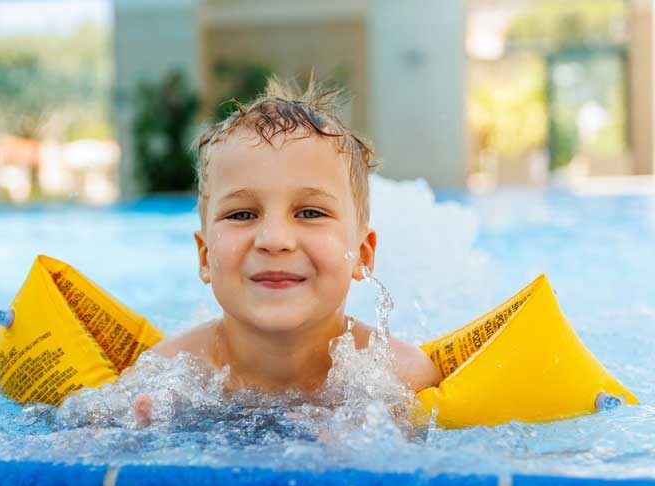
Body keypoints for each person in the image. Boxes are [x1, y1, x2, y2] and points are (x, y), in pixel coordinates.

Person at [134, 77, 441, 427]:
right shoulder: (165, 376)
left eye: (310, 213)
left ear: (362, 255)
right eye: (242, 214)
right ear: (205, 257)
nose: (274, 239)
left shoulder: (400, 376)